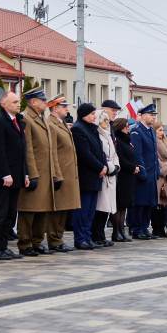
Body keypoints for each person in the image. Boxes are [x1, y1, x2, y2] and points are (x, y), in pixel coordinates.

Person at [18, 88, 60, 257]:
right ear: (33, 101)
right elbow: (28, 149)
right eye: (42, 100)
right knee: (28, 210)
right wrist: (32, 174)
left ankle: (36, 241)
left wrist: (55, 174)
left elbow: (50, 150)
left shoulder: (41, 118)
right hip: (35, 172)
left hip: (46, 172)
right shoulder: (26, 118)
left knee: (42, 209)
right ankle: (25, 243)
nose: (45, 103)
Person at [0, 91, 29, 260]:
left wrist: (25, 173)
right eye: (15, 102)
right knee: (0, 214)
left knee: (11, 214)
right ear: (4, 104)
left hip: (17, 175)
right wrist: (5, 173)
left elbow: (22, 151)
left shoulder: (18, 121)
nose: (19, 104)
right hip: (2, 178)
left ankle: (4, 247)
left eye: (18, 102)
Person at [70, 103, 108, 250]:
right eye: (92, 114)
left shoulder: (92, 129)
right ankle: (80, 238)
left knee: (91, 210)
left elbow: (100, 150)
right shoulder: (78, 129)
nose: (94, 117)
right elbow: (84, 154)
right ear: (84, 114)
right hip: (86, 175)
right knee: (83, 210)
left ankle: (87, 236)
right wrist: (99, 167)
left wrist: (104, 165)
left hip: (96, 175)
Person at [46, 95, 80, 252]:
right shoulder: (51, 124)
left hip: (68, 172)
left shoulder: (61, 124)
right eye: (64, 106)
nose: (67, 108)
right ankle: (54, 240)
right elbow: (52, 152)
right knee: (57, 208)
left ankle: (58, 238)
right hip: (60, 173)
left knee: (64, 208)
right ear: (55, 108)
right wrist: (56, 174)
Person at [128, 104, 160, 239]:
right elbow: (137, 153)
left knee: (149, 202)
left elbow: (154, 153)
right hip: (143, 172)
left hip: (152, 171)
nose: (153, 117)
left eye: (154, 115)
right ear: (142, 115)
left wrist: (157, 170)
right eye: (151, 115)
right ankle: (136, 228)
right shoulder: (136, 130)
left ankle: (144, 227)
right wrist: (141, 170)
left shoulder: (151, 131)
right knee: (140, 202)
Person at [91, 108, 120, 247]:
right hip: (103, 174)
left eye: (108, 120)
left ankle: (101, 234)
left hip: (111, 174)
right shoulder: (97, 135)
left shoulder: (108, 134)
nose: (107, 122)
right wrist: (109, 167)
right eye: (104, 120)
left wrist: (116, 166)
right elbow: (100, 155)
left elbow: (114, 154)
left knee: (107, 207)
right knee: (100, 207)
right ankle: (97, 235)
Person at [112, 118, 136, 241]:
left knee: (124, 205)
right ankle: (116, 231)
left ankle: (122, 230)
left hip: (129, 176)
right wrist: (132, 167)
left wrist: (135, 167)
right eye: (126, 127)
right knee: (119, 204)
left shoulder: (127, 140)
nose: (128, 129)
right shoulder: (118, 139)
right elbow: (120, 157)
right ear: (120, 127)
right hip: (122, 175)